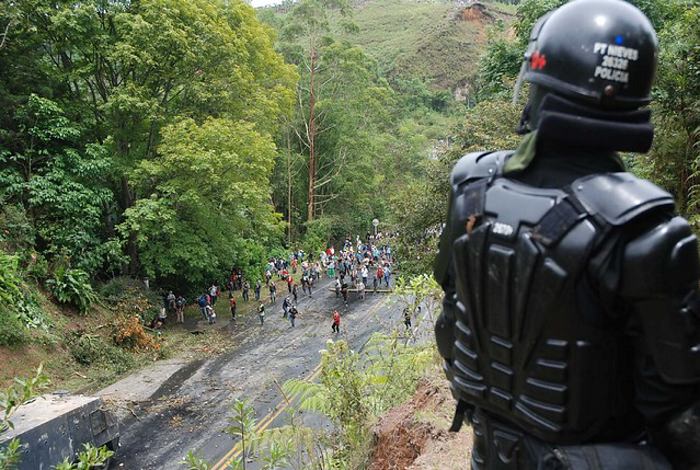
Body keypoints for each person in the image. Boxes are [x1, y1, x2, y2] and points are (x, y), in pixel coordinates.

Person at [433, 1, 700, 468]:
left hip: (491, 452)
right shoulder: (647, 227)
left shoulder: (472, 188)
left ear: (540, 83)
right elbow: (678, 410)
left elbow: (450, 329)